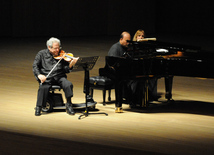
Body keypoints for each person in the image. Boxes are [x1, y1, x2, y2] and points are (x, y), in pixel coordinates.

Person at [33, 37, 79, 116]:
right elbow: (35, 66)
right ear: (49, 47)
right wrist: (39, 75)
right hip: (47, 78)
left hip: (59, 77)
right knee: (43, 87)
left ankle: (68, 105)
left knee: (68, 84)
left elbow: (66, 69)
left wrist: (71, 64)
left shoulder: (62, 55)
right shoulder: (41, 54)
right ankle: (39, 107)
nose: (58, 50)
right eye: (55, 48)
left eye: (59, 48)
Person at [108, 31, 141, 112]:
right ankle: (126, 102)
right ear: (121, 39)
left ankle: (135, 100)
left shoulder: (126, 47)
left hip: (123, 71)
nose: (128, 43)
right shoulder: (115, 48)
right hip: (112, 72)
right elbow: (112, 64)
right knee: (127, 81)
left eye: (129, 41)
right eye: (127, 41)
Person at [133, 29, 158, 101]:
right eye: (139, 36)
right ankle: (136, 96)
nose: (141, 38)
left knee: (153, 77)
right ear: (136, 37)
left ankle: (151, 96)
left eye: (143, 36)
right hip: (135, 68)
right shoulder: (133, 46)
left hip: (144, 68)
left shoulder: (146, 47)